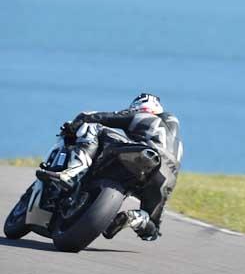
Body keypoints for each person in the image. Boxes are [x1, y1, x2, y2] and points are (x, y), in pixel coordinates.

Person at [37, 93, 183, 241]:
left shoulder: (144, 117)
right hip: (167, 177)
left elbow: (97, 117)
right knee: (152, 228)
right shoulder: (175, 138)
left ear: (139, 107)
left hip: (144, 154)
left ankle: (73, 172)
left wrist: (74, 126)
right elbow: (151, 234)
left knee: (93, 127)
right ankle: (135, 218)